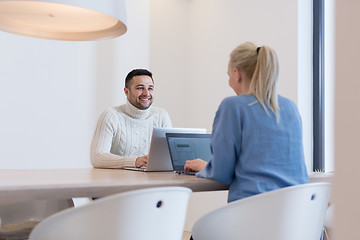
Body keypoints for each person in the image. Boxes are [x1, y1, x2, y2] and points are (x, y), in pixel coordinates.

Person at [184, 42, 309, 203]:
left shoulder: (232, 106)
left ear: (237, 74)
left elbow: (221, 173)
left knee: (199, 229)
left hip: (253, 212)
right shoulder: (290, 107)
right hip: (296, 213)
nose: (229, 81)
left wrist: (204, 167)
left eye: (228, 75)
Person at [90, 69, 172, 169]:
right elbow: (97, 158)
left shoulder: (161, 116)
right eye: (140, 88)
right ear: (126, 91)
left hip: (152, 180)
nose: (146, 93)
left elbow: (169, 157)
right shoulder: (111, 115)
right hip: (117, 181)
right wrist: (135, 161)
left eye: (150, 88)